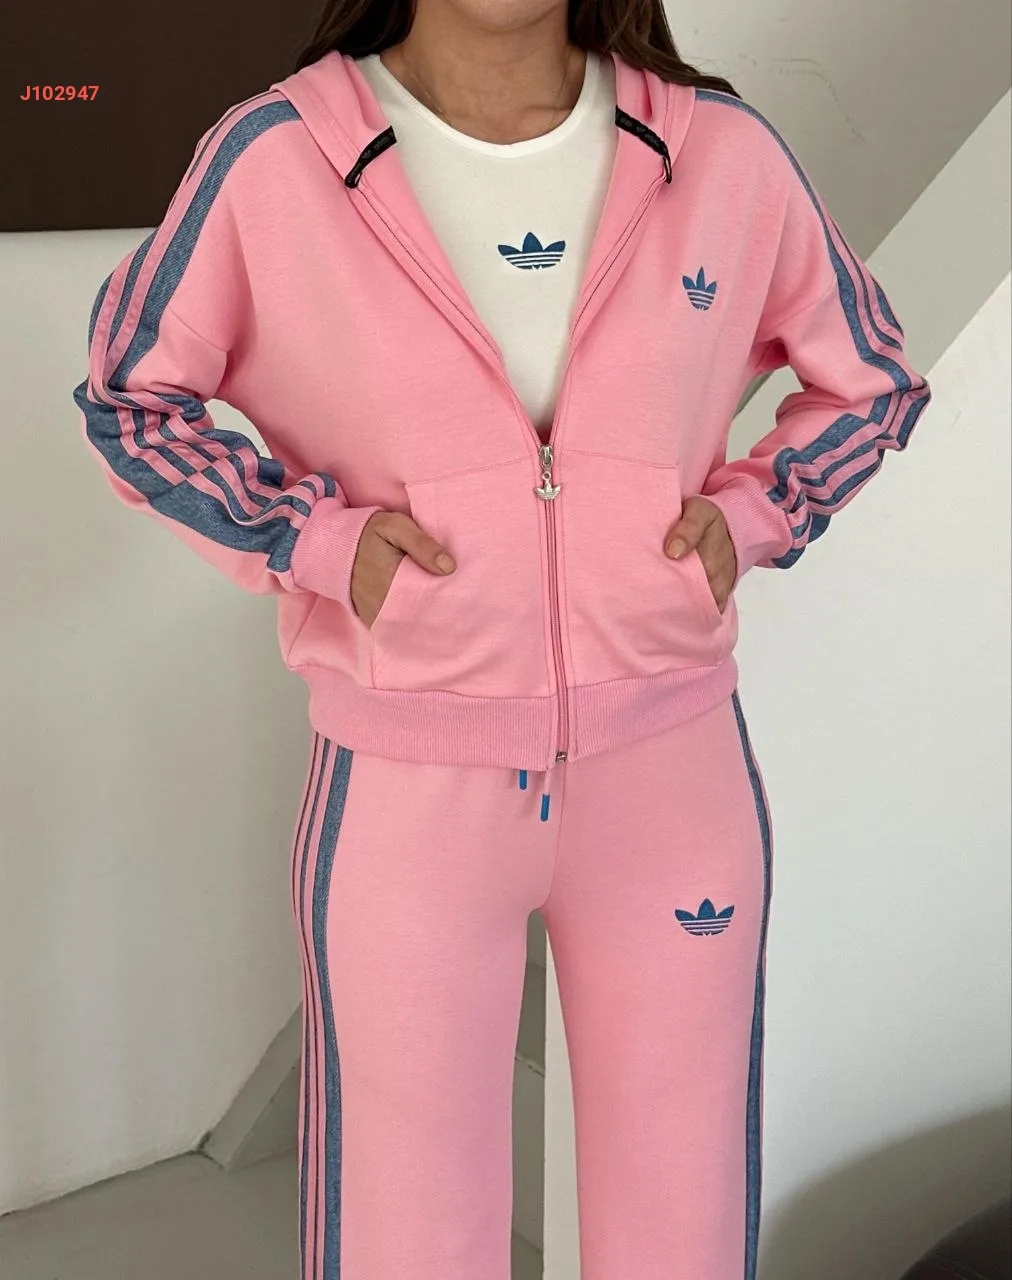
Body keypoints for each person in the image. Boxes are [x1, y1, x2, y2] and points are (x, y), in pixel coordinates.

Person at [71, 1, 932, 1276]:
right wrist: (312, 540)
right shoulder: (277, 154)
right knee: (406, 1233)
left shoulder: (719, 153)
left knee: (682, 1216)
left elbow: (871, 377)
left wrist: (758, 513)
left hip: (672, 773)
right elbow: (130, 397)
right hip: (407, 783)